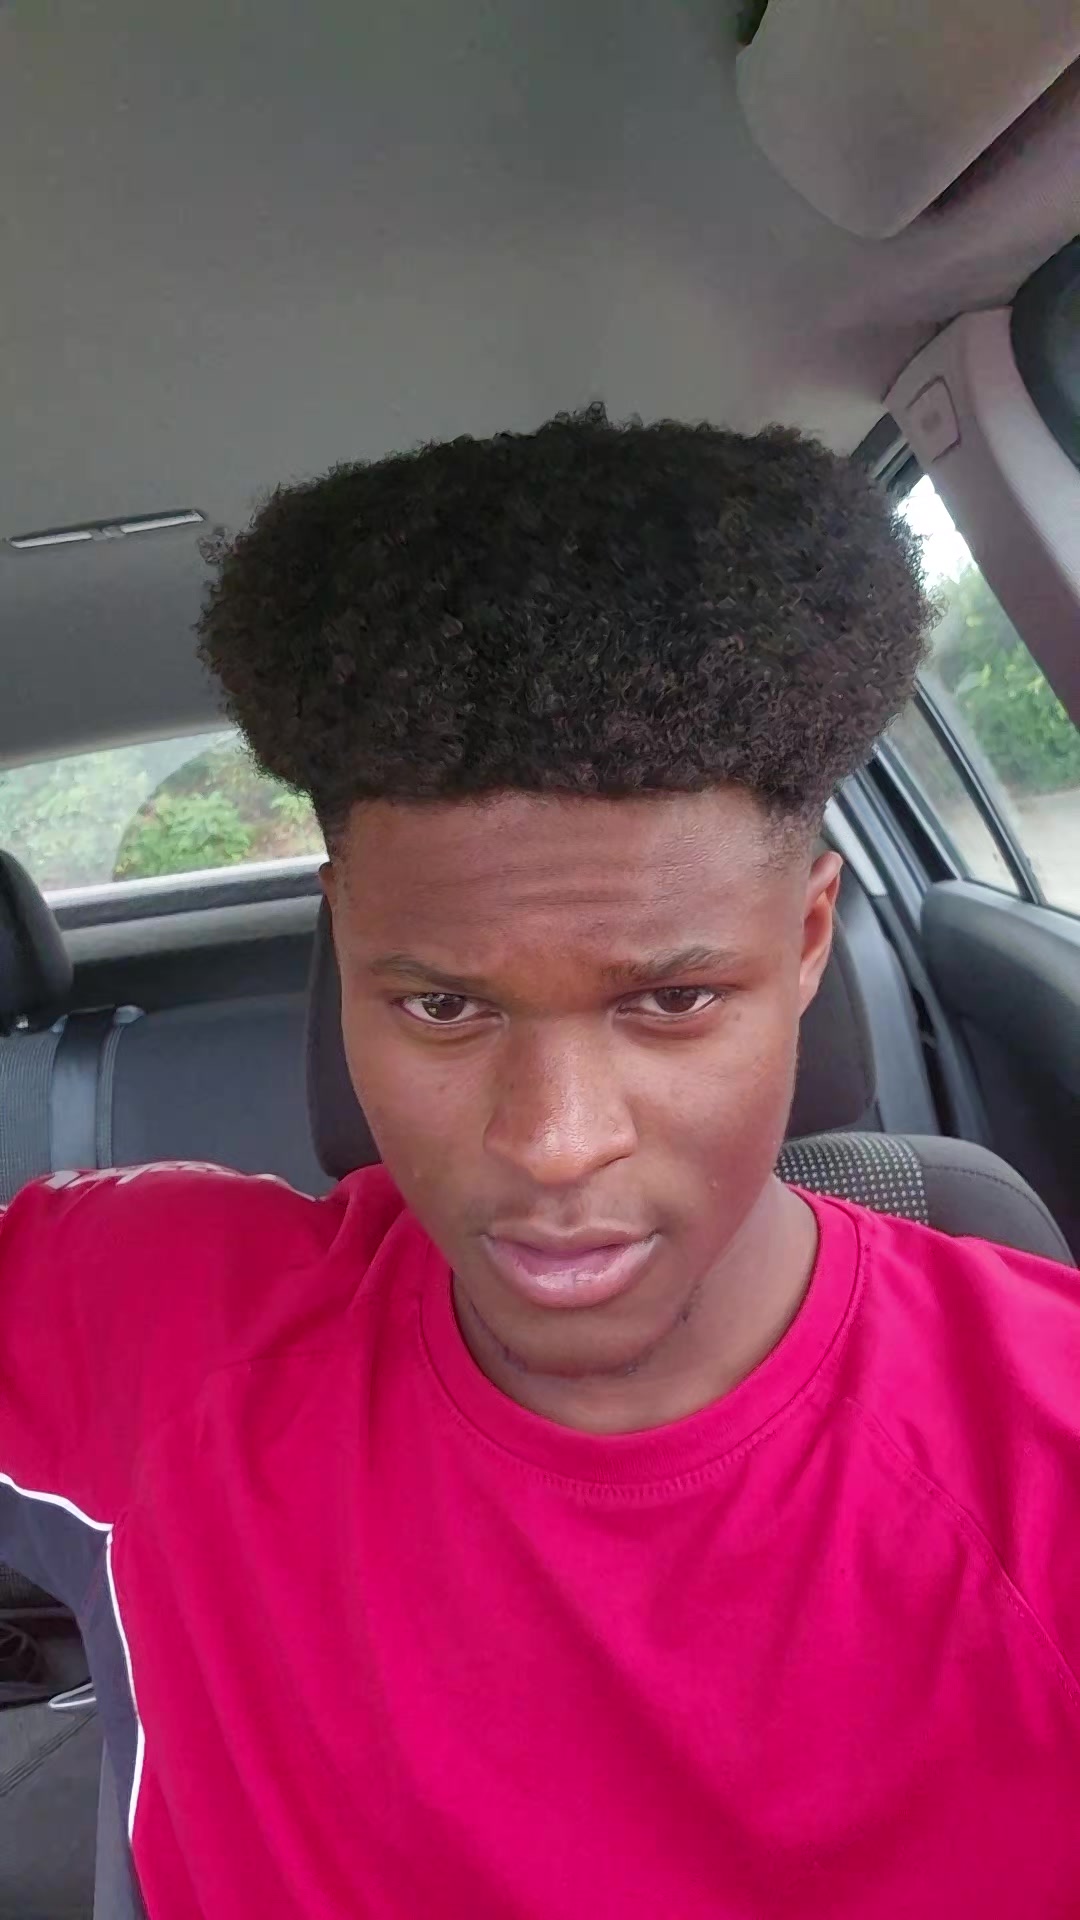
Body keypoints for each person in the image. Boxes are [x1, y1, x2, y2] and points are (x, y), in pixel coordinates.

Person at [2, 407, 1078, 1920]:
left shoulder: (1044, 1451)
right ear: (344, 943)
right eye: (443, 1007)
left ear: (806, 942)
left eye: (673, 999)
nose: (554, 1143)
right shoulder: (157, 1322)